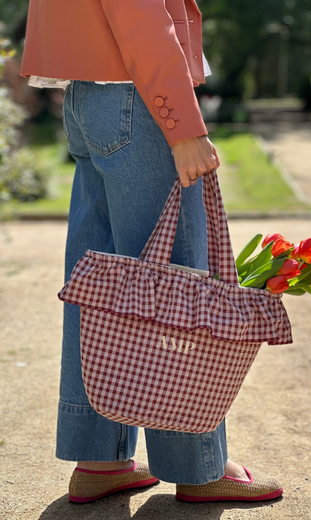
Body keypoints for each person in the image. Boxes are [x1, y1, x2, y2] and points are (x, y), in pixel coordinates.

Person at [20, 0, 283, 504]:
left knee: (98, 286)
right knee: (178, 284)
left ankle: (99, 458)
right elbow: (139, 12)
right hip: (136, 98)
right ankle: (198, 467)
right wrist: (184, 127)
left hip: (86, 95)